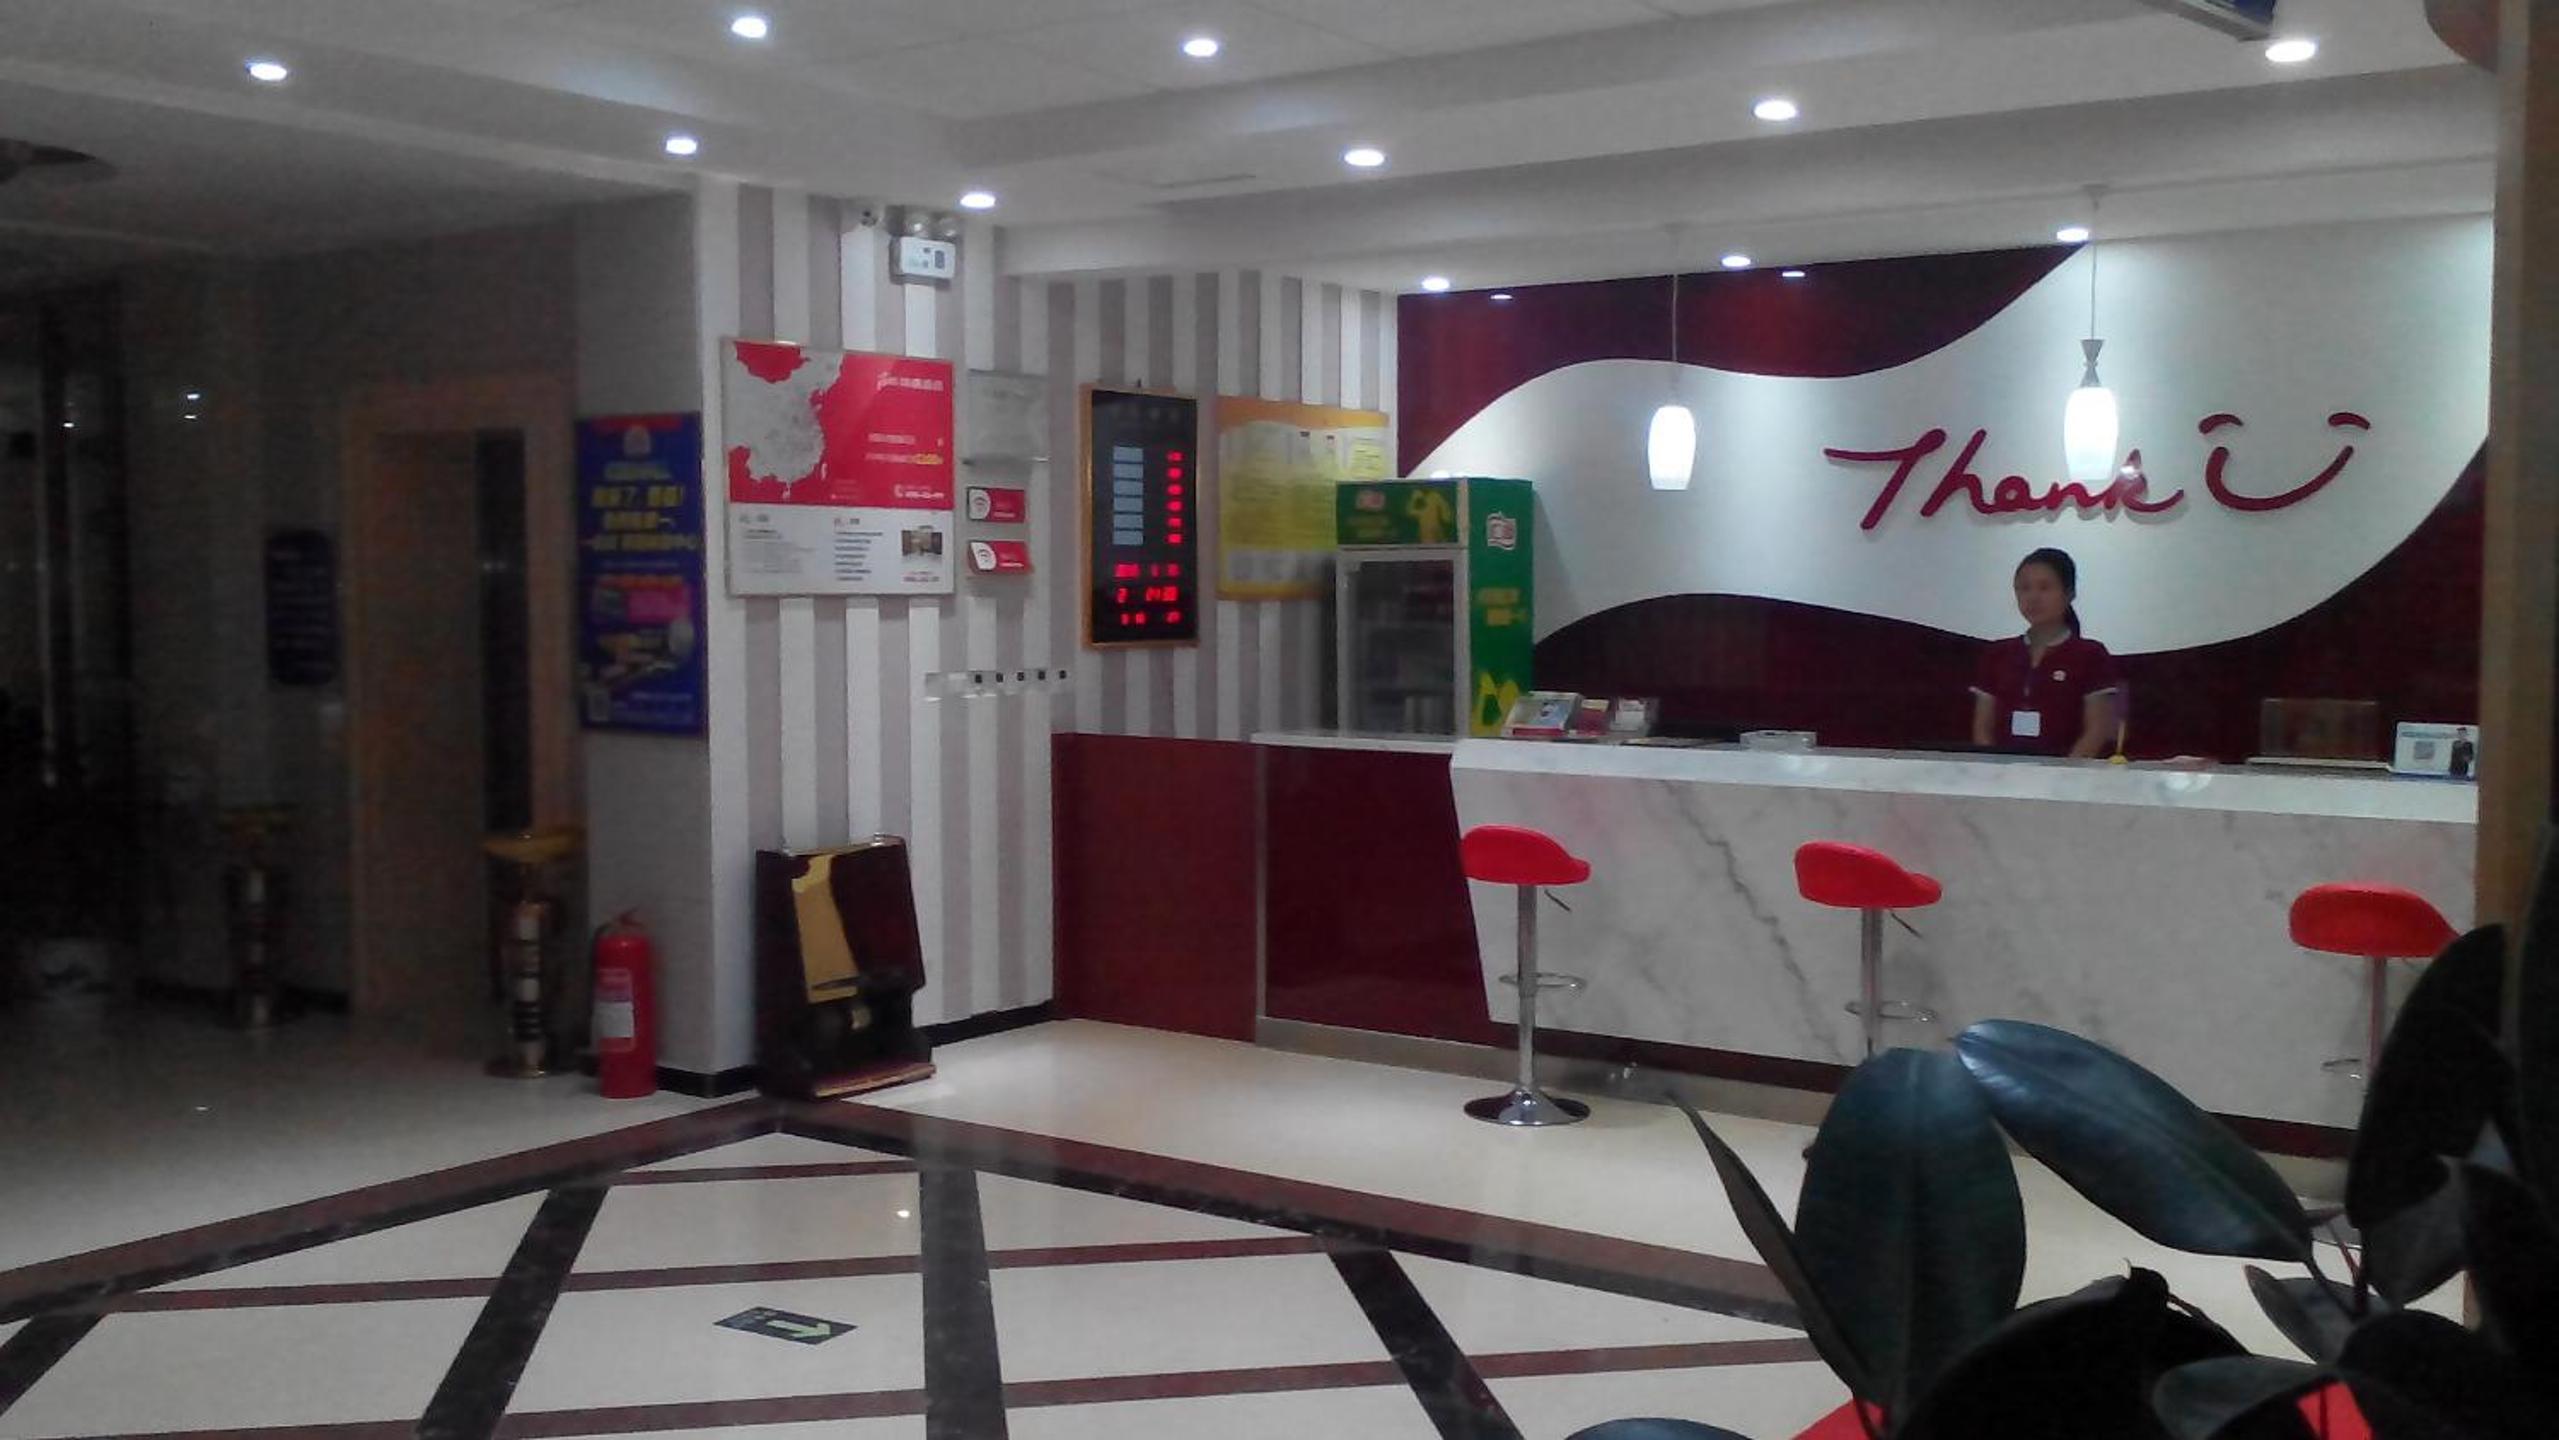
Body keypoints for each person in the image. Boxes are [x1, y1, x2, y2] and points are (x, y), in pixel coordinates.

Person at [1970, 547, 2123, 758]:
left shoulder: (2091, 654)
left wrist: (2062, 773)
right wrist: (1993, 770)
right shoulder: (1997, 653)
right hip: (2001, 771)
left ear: (2069, 593)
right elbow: (1982, 728)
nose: (2033, 597)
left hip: (2067, 771)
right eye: (2024, 588)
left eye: (2045, 588)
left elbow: (2097, 731)